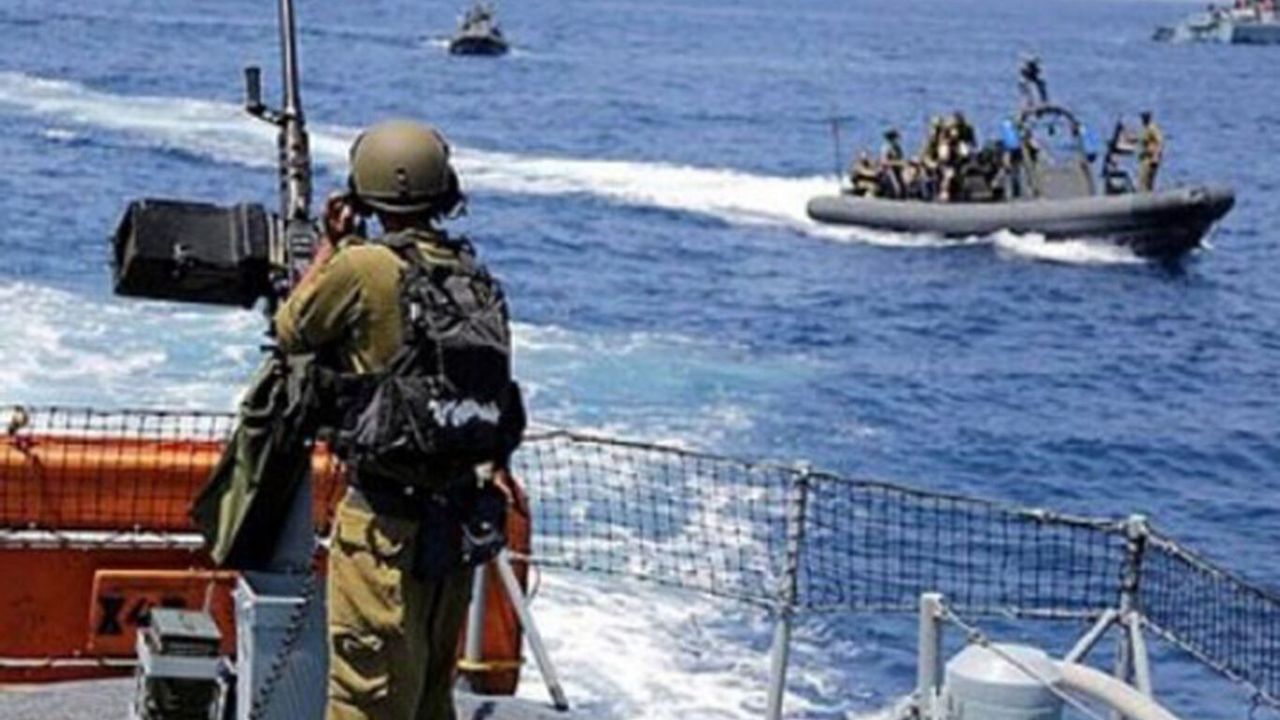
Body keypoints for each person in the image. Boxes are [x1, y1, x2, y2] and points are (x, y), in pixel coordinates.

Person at [275, 119, 524, 720]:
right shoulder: (470, 277)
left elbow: (292, 328)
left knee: (366, 698)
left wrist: (331, 243)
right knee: (430, 699)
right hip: (454, 525)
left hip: (383, 527)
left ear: (365, 190)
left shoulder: (364, 266)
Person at [1135, 111, 1164, 192]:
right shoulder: (1144, 128)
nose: (1142, 119)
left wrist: (1155, 156)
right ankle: (1143, 193)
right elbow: (1140, 139)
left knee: (1146, 181)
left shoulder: (1152, 128)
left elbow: (1160, 142)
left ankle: (1146, 195)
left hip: (1149, 158)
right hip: (1144, 157)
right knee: (1142, 180)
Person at [879, 128, 906, 198]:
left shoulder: (898, 148)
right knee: (890, 172)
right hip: (887, 170)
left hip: (897, 169)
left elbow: (901, 159)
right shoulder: (886, 147)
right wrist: (896, 163)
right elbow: (883, 162)